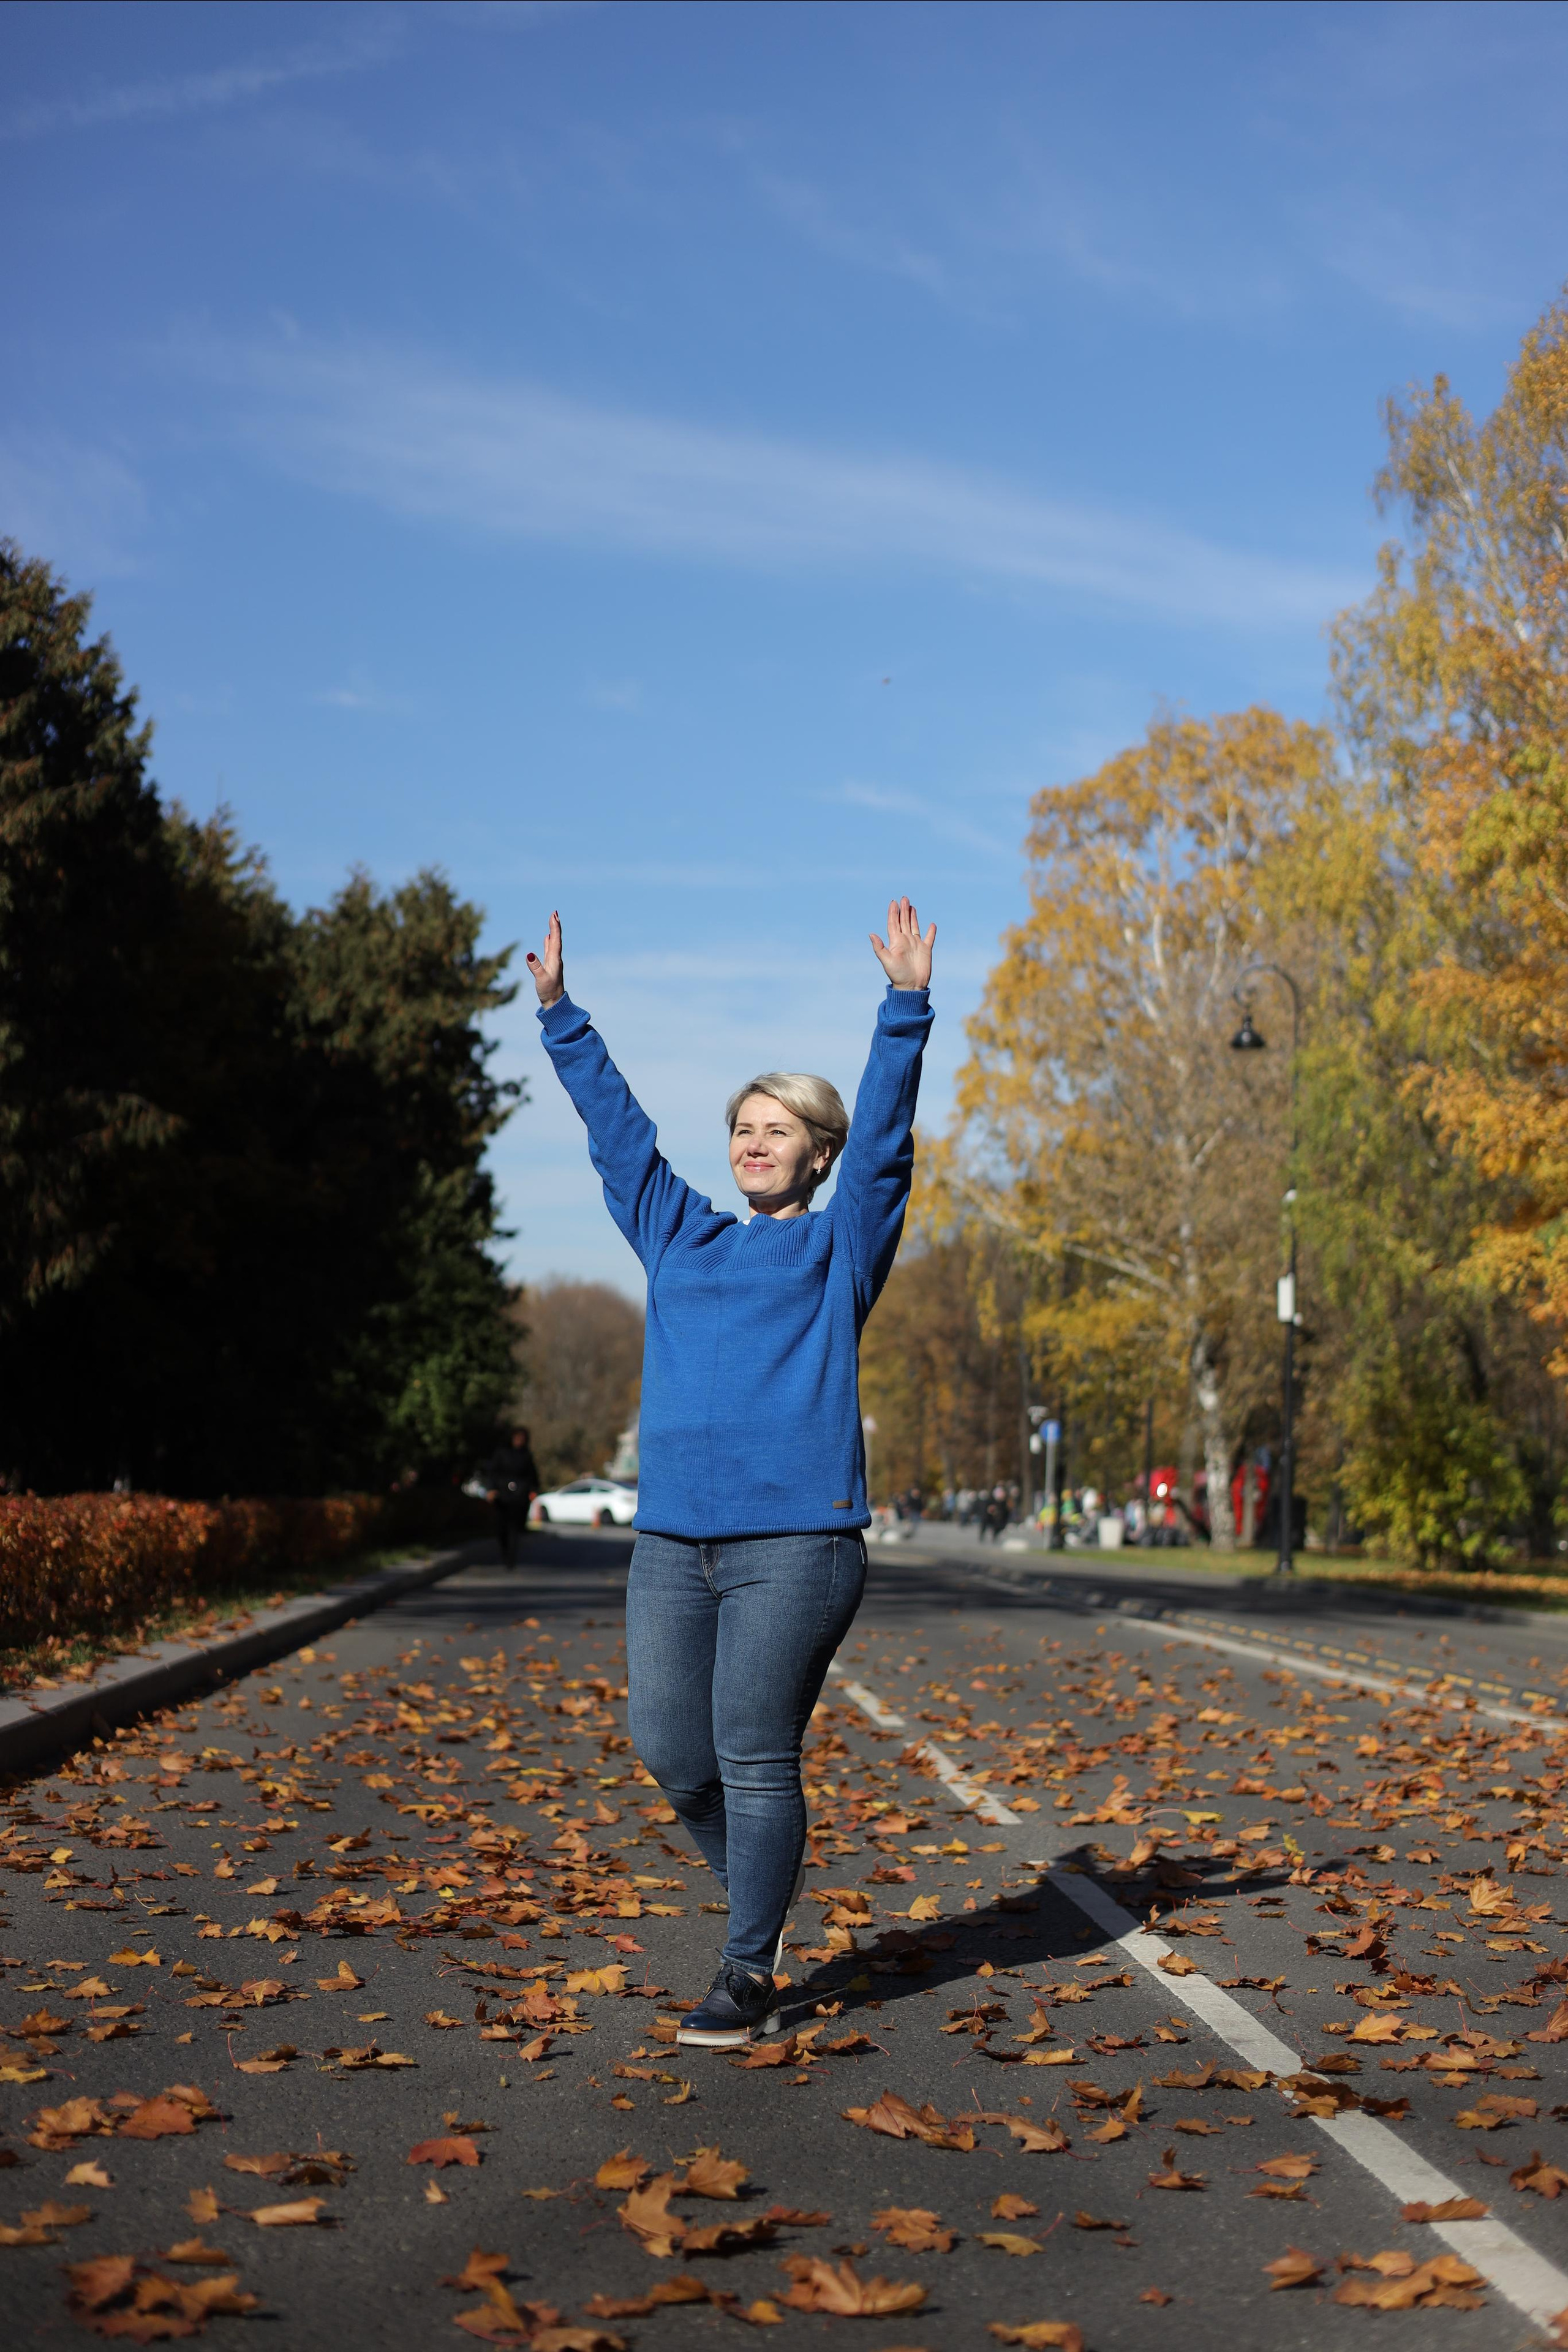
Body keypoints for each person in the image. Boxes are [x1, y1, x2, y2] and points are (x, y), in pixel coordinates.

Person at [526, 898, 935, 2049]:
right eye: (743, 1128)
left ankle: (748, 1970)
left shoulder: (841, 1243)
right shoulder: (678, 1234)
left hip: (797, 1546)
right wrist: (561, 1016)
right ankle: (766, 1883)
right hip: (672, 1545)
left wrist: (904, 1008)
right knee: (670, 1749)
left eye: (777, 1129)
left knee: (756, 1753)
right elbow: (620, 1136)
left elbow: (892, 1140)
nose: (754, 1143)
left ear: (817, 1149)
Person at [477, 1427, 540, 1568]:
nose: (519, 1441)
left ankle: (510, 1558)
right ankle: (505, 1551)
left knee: (515, 1528)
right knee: (501, 1527)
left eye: (522, 1439)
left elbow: (532, 1475)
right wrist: (492, 1489)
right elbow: (493, 1472)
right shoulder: (501, 1453)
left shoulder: (526, 1455)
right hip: (502, 1495)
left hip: (519, 1496)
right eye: (517, 1438)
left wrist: (533, 1490)